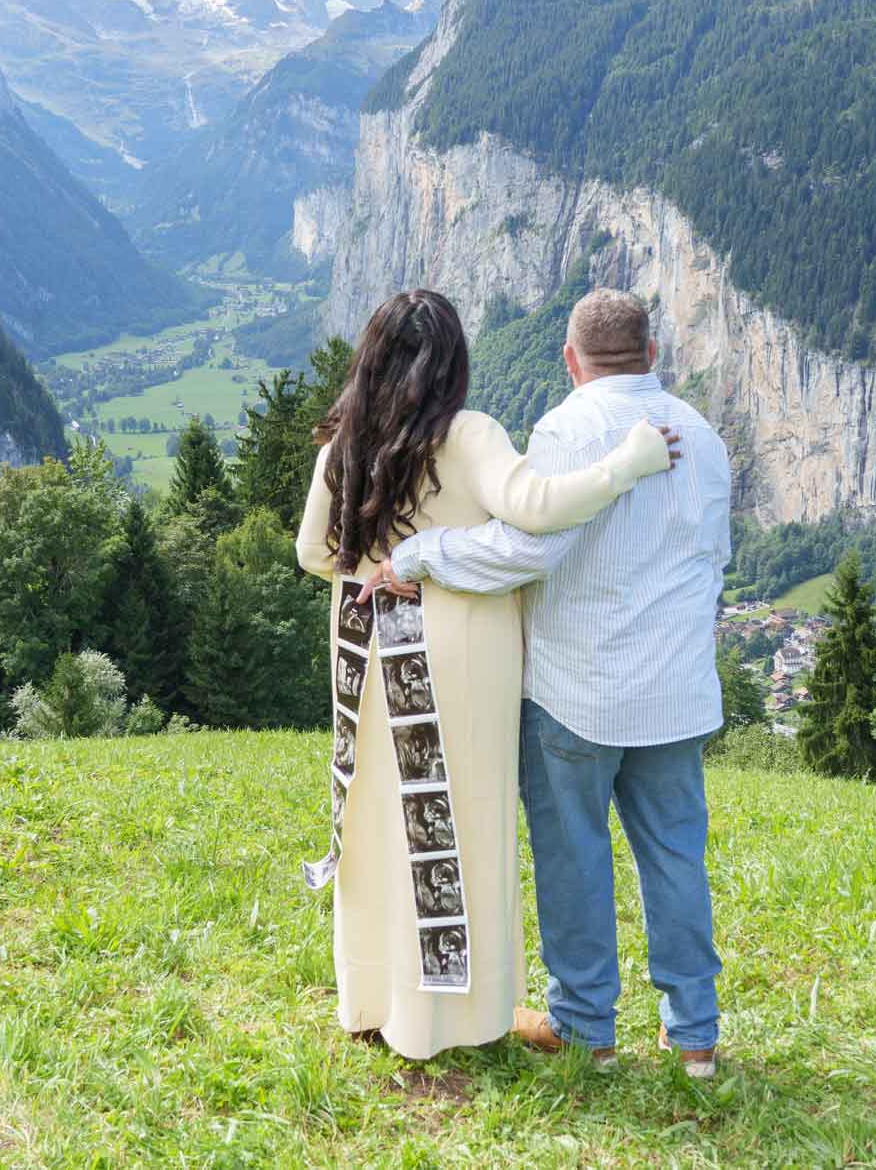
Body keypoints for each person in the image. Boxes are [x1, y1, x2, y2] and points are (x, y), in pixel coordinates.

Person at [295, 289, 676, 1060]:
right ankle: (448, 1018)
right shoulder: (465, 436)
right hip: (455, 651)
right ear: (452, 363)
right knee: (455, 829)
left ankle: (375, 999)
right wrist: (626, 465)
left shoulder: (344, 445)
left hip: (365, 653)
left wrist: (376, 567)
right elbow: (534, 506)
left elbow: (312, 550)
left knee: (376, 823)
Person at [364, 288, 732, 1077]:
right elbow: (714, 560)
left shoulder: (568, 428)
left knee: (574, 856)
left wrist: (423, 554)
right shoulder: (703, 435)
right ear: (652, 355)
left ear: (570, 358)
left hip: (581, 690)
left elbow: (527, 550)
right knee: (675, 853)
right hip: (676, 692)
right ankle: (695, 1034)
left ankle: (586, 1027)